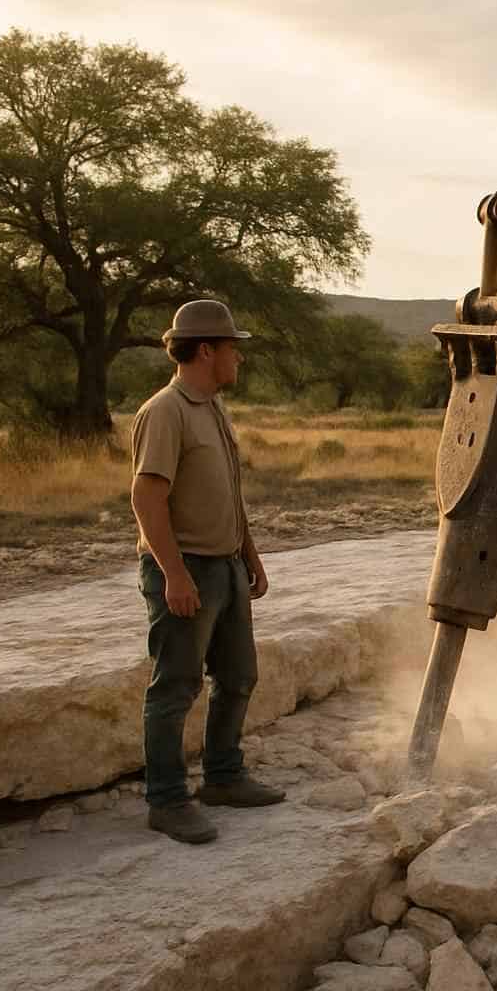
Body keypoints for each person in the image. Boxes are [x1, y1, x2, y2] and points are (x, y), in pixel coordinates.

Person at [130, 299, 284, 844]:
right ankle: (168, 801)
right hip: (186, 567)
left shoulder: (214, 407)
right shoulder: (165, 411)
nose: (238, 358)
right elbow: (146, 498)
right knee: (175, 686)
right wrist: (174, 575)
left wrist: (250, 554)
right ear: (204, 351)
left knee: (239, 676)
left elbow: (229, 492)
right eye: (231, 348)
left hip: (227, 565)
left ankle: (223, 777)